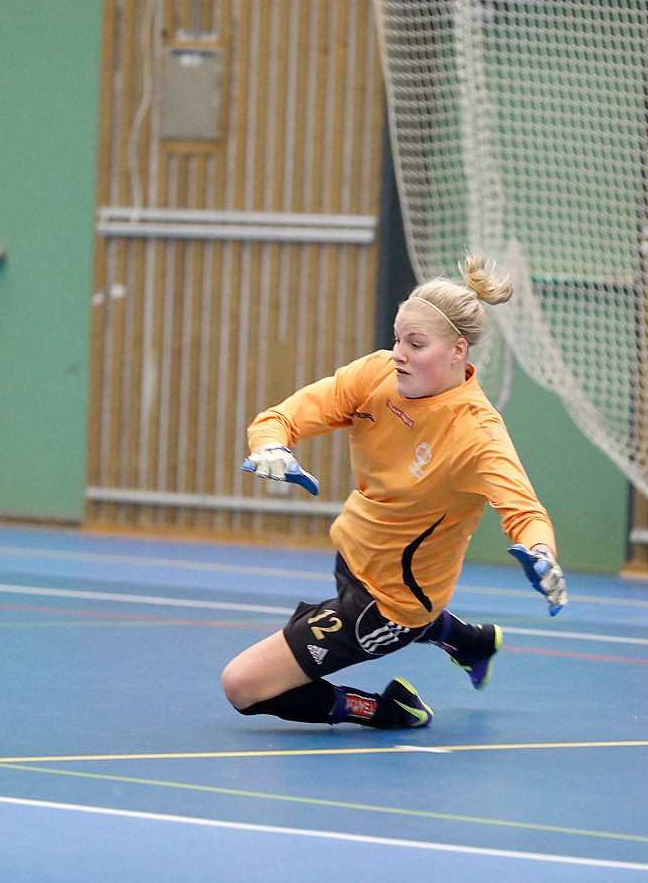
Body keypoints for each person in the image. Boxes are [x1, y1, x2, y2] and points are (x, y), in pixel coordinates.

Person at [221, 253, 567, 729]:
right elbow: (283, 415)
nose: (399, 353)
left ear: (457, 351)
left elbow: (524, 511)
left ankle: (388, 708)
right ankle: (469, 641)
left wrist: (542, 552)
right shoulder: (378, 375)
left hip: (387, 606)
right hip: (355, 557)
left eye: (416, 343)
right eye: (398, 337)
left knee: (242, 685)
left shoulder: (476, 435)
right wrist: (270, 446)